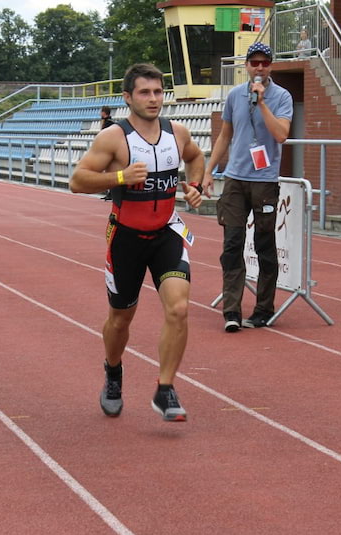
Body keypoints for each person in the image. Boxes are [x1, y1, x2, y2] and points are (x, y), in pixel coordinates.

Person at [69, 63, 205, 421]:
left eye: (158, 92)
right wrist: (120, 176)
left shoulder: (178, 132)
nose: (153, 99)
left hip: (167, 234)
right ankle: (113, 372)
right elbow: (77, 180)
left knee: (178, 308)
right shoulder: (114, 137)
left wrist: (196, 186)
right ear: (128, 97)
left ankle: (165, 388)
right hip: (126, 238)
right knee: (120, 318)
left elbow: (195, 158)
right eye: (145, 92)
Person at [201, 42, 293, 332]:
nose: (259, 68)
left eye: (265, 63)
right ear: (246, 66)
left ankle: (263, 309)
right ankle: (232, 310)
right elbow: (225, 136)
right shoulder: (234, 95)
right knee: (232, 244)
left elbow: (280, 135)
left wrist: (262, 102)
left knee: (265, 245)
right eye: (254, 63)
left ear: (271, 66)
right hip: (236, 179)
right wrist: (208, 170)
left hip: (264, 181)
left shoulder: (282, 96)